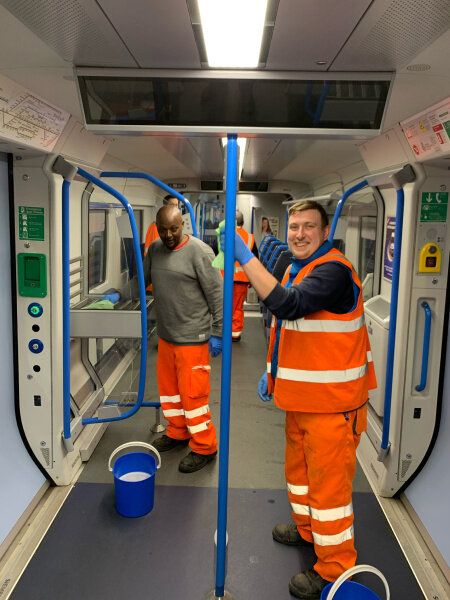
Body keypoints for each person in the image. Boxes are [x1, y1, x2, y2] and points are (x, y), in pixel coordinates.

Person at [223, 200, 377, 599]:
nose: (299, 234)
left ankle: (333, 569)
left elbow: (288, 304)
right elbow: (291, 329)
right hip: (302, 401)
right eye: (294, 227)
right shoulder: (299, 266)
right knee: (301, 476)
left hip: (333, 408)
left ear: (325, 233)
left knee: (330, 495)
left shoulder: (333, 273)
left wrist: (245, 257)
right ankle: (308, 531)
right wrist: (271, 370)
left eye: (309, 227)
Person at [144, 205, 223, 473]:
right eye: (163, 229)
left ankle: (205, 446)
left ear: (182, 226)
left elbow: (216, 294)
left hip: (193, 337)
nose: (168, 235)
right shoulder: (154, 249)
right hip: (166, 335)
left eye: (174, 228)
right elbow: (144, 280)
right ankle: (177, 432)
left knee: (193, 397)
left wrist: (219, 333)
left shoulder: (199, 252)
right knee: (170, 393)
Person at [226, 210, 258, 342]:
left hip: (225, 279)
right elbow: (255, 260)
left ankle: (224, 332)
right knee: (238, 307)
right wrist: (252, 279)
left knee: (226, 306)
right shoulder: (250, 238)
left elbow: (216, 257)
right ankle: (235, 334)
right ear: (243, 222)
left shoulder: (225, 235)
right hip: (242, 280)